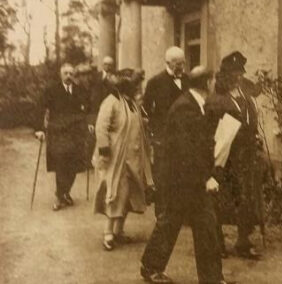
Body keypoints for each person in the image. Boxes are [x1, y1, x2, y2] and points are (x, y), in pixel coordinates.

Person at [140, 66, 231, 284]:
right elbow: (187, 151)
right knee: (175, 223)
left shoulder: (194, 104)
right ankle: (152, 268)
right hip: (181, 181)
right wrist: (206, 178)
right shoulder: (185, 108)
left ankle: (209, 278)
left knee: (198, 225)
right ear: (207, 83)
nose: (214, 84)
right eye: (212, 80)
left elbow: (198, 143)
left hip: (186, 179)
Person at [205, 51, 263, 260]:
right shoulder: (217, 99)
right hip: (226, 156)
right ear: (226, 75)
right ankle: (216, 241)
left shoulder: (245, 96)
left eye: (241, 72)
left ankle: (243, 241)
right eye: (235, 73)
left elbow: (250, 121)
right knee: (221, 198)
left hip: (245, 157)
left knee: (245, 198)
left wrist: (254, 139)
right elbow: (211, 130)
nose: (239, 77)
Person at [92, 69, 153, 251]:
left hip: (133, 158)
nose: (138, 88)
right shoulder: (111, 102)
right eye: (135, 85)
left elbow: (135, 123)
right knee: (115, 192)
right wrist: (104, 149)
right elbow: (101, 126)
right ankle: (108, 232)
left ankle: (119, 230)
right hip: (116, 156)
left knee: (128, 194)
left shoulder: (132, 103)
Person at [34, 63, 90, 211]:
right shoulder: (52, 90)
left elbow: (89, 108)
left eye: (71, 73)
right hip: (58, 133)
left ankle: (65, 192)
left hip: (75, 133)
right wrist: (39, 129)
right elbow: (39, 107)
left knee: (74, 165)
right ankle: (60, 196)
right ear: (60, 74)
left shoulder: (80, 90)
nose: (69, 76)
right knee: (61, 164)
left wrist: (90, 123)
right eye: (66, 73)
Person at [143, 46, 189, 217]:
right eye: (178, 63)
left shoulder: (188, 80)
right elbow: (145, 110)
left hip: (185, 136)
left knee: (183, 173)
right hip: (164, 137)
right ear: (168, 62)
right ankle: (161, 212)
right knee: (163, 175)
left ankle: (182, 213)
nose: (182, 66)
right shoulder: (155, 82)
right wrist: (154, 133)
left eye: (183, 62)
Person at [88, 56, 117, 126]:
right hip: (98, 104)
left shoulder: (115, 77)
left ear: (112, 66)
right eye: (105, 64)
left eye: (110, 65)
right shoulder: (96, 76)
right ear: (102, 65)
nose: (107, 66)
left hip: (110, 105)